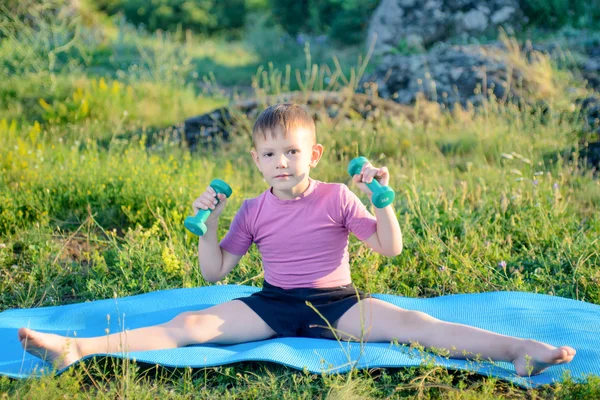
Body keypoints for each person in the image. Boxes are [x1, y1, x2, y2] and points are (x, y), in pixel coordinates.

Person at [19, 103, 575, 376]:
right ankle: (76, 350)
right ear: (255, 160)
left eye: (291, 152)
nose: (279, 162)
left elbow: (390, 249)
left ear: (313, 155)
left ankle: (521, 352)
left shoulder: (337, 195)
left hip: (339, 305)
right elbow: (214, 274)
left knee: (418, 327)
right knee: (187, 327)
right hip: (273, 305)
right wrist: (207, 226)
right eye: (268, 154)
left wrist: (386, 204)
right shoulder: (253, 208)